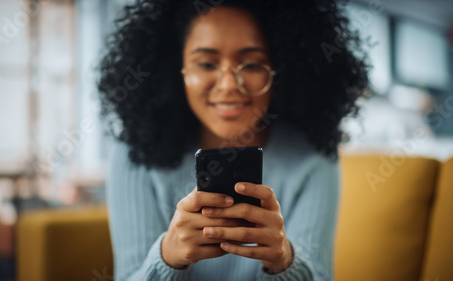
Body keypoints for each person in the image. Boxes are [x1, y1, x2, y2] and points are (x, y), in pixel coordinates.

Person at [98, 1, 368, 280]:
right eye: (205, 63)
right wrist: (167, 257)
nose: (228, 85)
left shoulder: (313, 157)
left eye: (251, 64)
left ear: (282, 69)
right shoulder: (136, 154)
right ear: (173, 69)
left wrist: (284, 262)